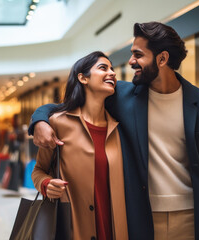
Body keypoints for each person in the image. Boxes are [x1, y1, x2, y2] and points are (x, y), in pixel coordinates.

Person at [29, 22, 199, 240]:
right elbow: (66, 106)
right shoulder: (122, 96)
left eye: (138, 55)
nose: (131, 62)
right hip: (140, 217)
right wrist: (39, 121)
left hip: (193, 217)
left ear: (162, 59)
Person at [31, 51, 128, 240]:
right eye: (103, 68)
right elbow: (38, 170)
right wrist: (46, 184)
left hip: (115, 229)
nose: (112, 73)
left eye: (112, 69)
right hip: (74, 230)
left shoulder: (118, 128)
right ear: (83, 78)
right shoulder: (58, 123)